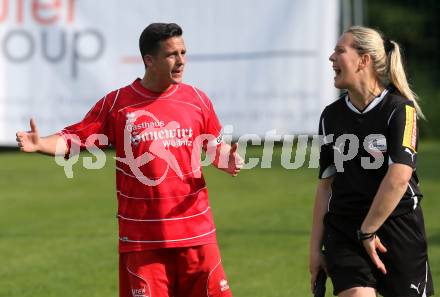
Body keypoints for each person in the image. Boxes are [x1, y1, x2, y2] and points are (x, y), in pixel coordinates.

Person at [16, 23, 243, 297]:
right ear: (149, 60)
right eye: (172, 54)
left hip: (196, 235)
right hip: (143, 242)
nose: (181, 61)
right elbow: (74, 138)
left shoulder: (197, 100)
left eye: (183, 52)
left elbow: (215, 148)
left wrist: (227, 160)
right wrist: (40, 144)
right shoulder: (118, 105)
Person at [309, 26, 434, 297]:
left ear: (364, 60)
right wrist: (314, 251)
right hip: (346, 230)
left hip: (397, 229)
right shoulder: (330, 116)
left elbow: (399, 177)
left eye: (340, 51)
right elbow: (325, 187)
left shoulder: (401, 110)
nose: (331, 57)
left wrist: (369, 231)